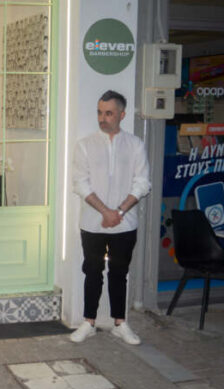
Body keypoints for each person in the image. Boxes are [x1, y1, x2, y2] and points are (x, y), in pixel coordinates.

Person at [70, 90, 151, 345]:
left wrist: (120, 212)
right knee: (92, 271)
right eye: (99, 112)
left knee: (119, 272)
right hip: (92, 223)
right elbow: (80, 183)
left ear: (122, 115)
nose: (102, 118)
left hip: (125, 224)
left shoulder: (135, 145)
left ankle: (120, 323)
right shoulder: (85, 145)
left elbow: (142, 183)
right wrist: (106, 212)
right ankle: (88, 322)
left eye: (108, 113)